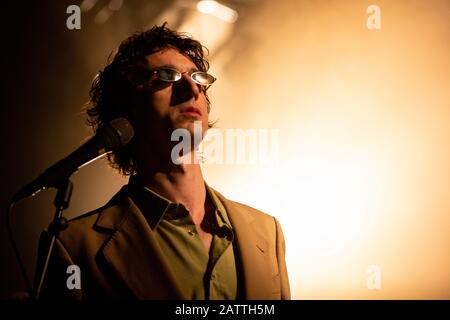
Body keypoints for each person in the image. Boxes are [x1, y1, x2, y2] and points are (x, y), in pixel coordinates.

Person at [37, 24, 290, 300]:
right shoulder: (74, 248)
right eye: (166, 76)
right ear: (125, 110)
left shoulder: (267, 231)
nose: (191, 87)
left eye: (198, 78)